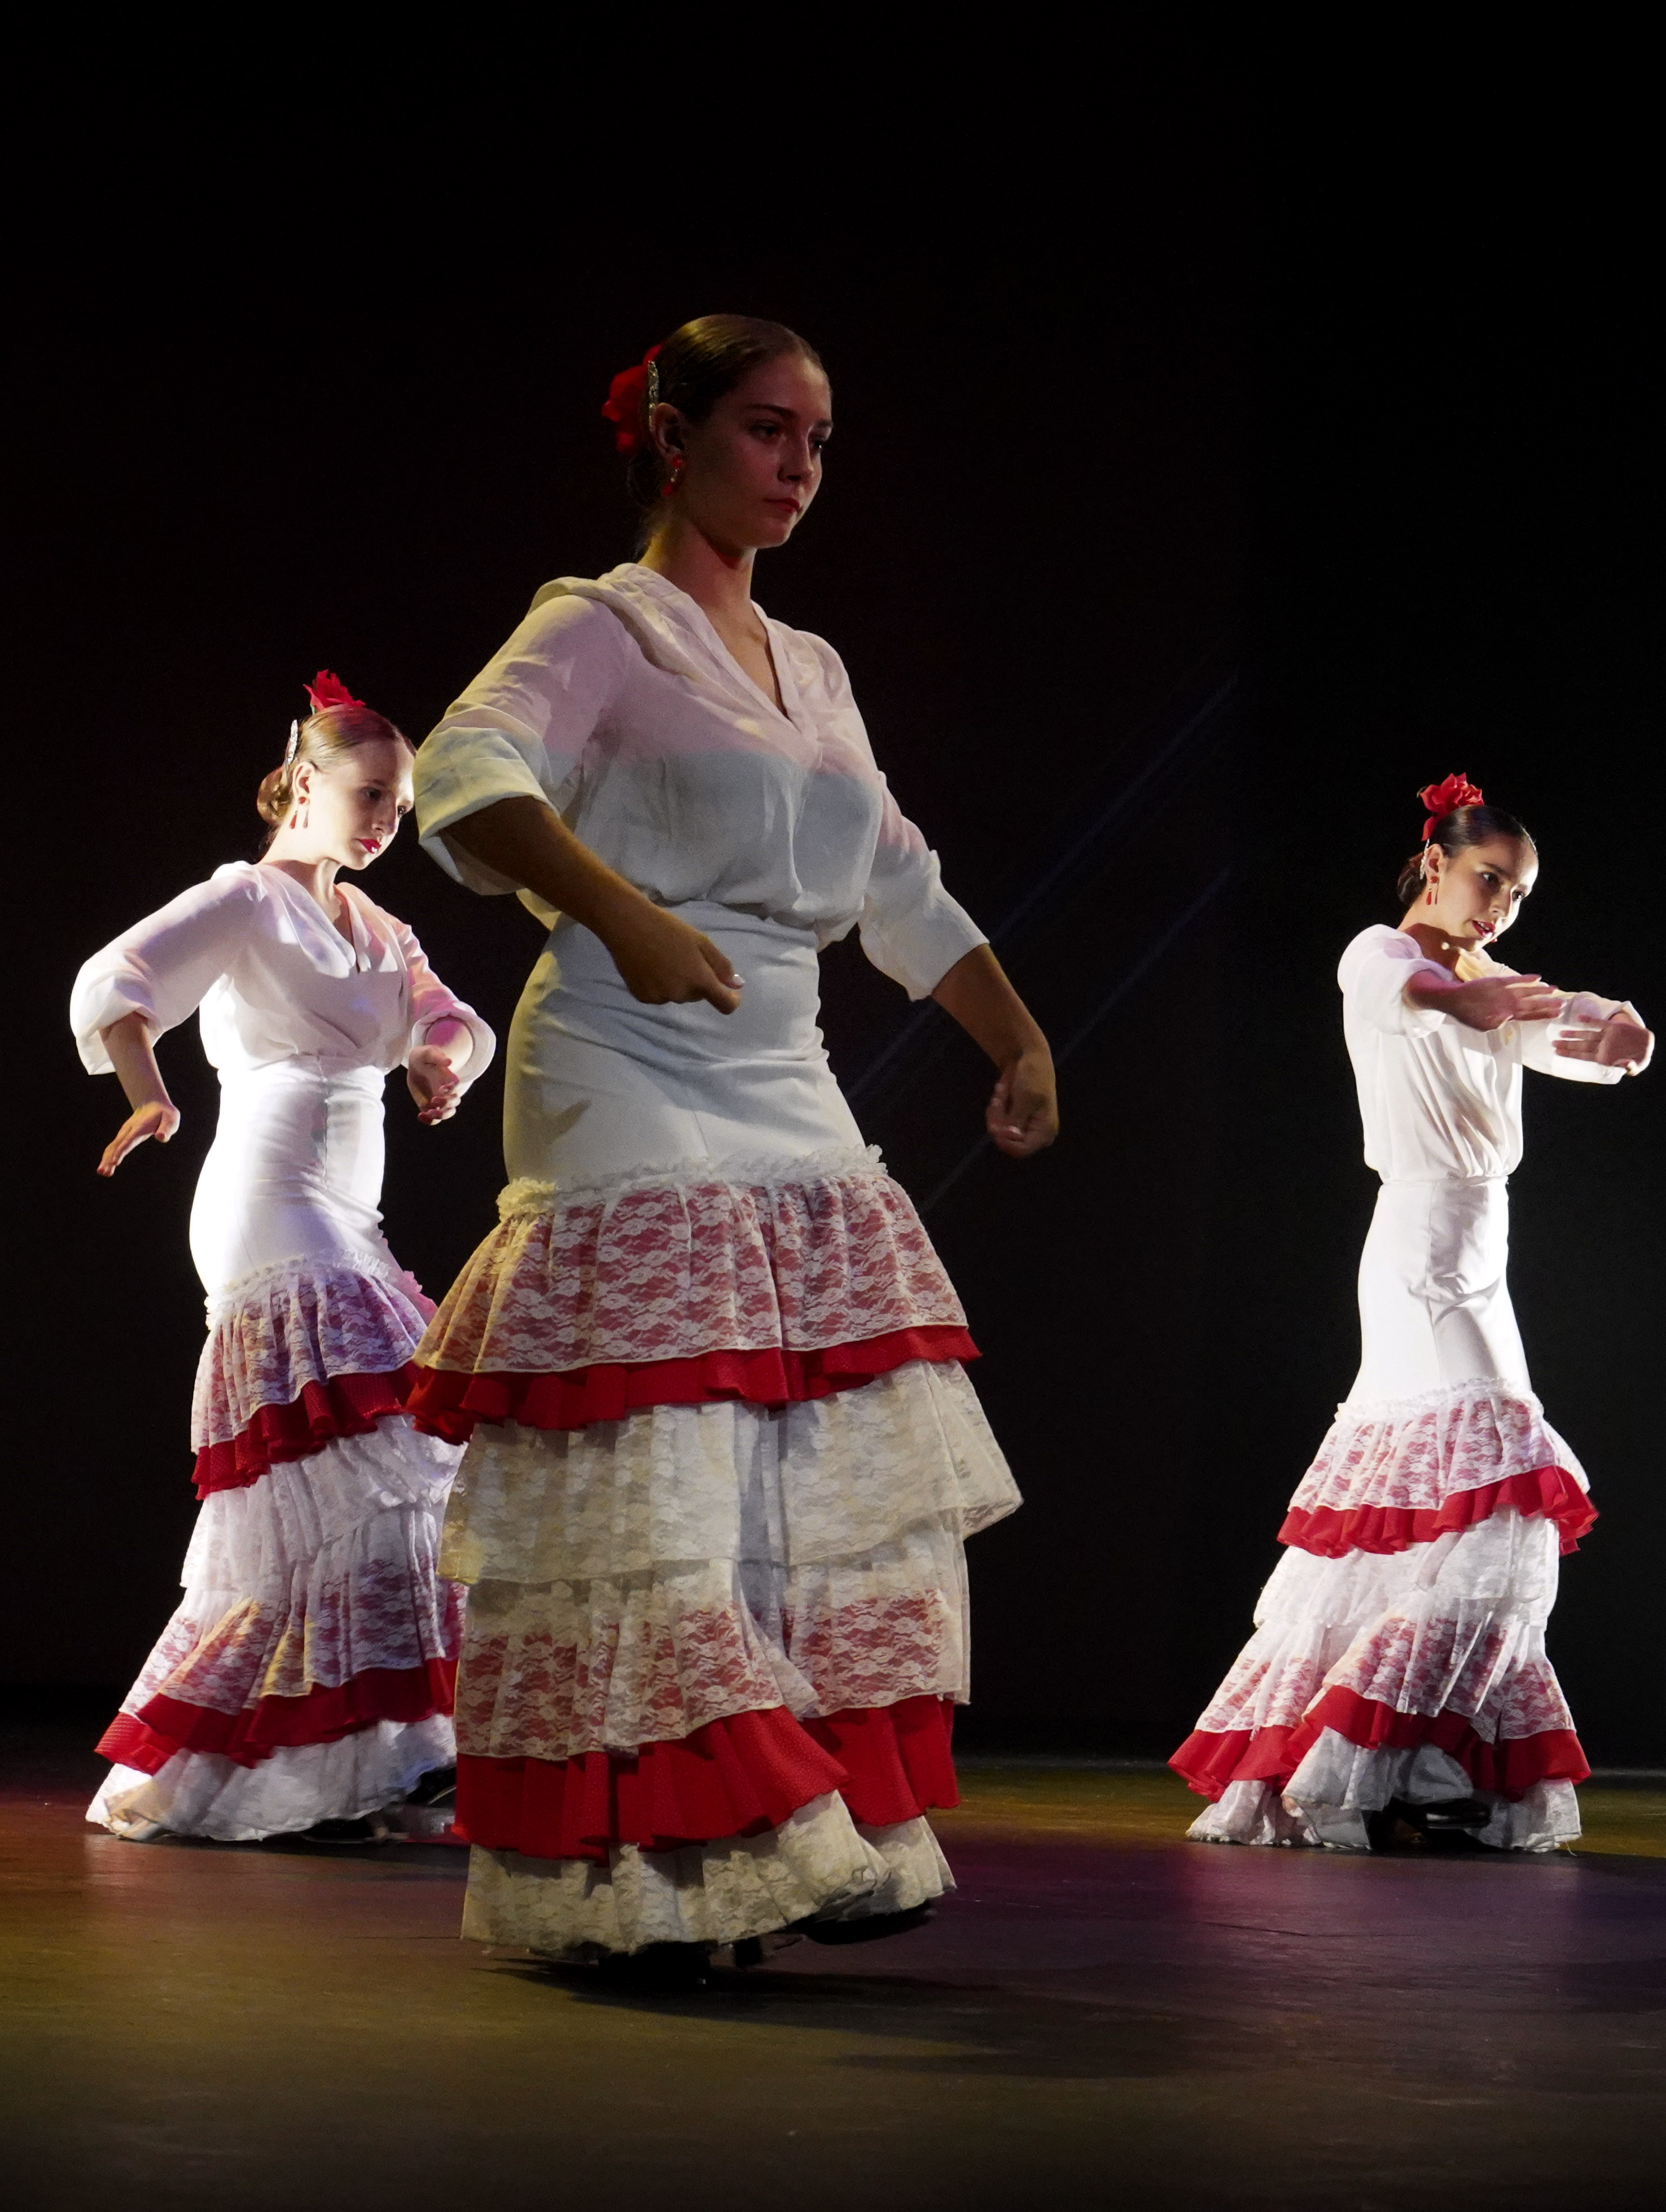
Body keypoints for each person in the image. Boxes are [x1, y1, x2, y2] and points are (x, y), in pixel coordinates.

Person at [405, 317, 1053, 1985]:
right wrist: (616, 910)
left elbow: (897, 879)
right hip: (623, 1058)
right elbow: (465, 780)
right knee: (666, 1463)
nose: (799, 465)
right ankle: (655, 1857)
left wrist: (1015, 1035)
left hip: (786, 1069)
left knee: (813, 1461)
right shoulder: (597, 623)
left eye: (819, 440)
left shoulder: (813, 667)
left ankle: (791, 1831)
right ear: (673, 437)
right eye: (768, 429)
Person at [1176, 774, 1652, 1851]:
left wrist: (1616, 1033)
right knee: (1504, 1492)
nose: (1501, 909)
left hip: (1483, 1248)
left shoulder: (1494, 981)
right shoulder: (1378, 954)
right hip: (1422, 1247)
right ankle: (1395, 1751)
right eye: (1490, 881)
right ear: (1435, 864)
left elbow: (1582, 1042)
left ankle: (1411, 1752)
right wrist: (1488, 998)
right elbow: (1418, 993)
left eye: (1518, 895)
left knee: (1450, 1509)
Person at [73, 674, 494, 1842]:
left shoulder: (381, 929)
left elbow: (452, 1015)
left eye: (400, 807)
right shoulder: (247, 900)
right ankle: (362, 1754)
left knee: (375, 1480)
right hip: (269, 1204)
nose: (385, 823)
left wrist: (442, 1058)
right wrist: (151, 1093)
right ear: (305, 783)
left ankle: (345, 1763)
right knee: (387, 1447)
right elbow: (117, 982)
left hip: (351, 1217)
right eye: (370, 795)